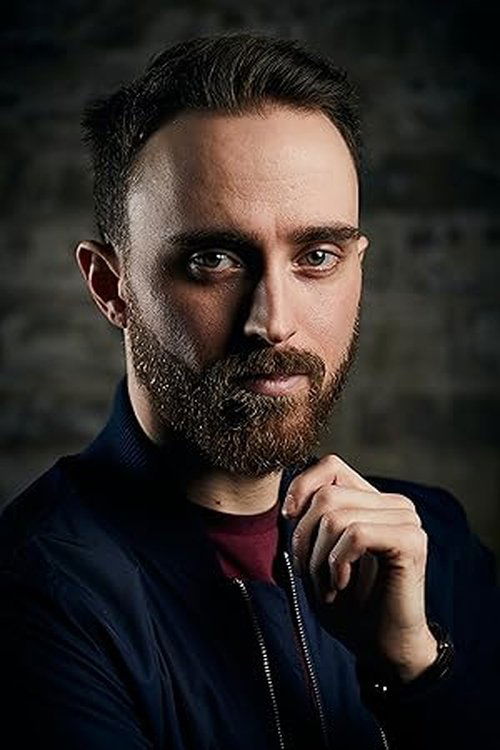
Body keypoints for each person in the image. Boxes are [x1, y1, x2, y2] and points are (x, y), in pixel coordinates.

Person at [0, 33, 498, 750]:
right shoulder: (37, 591)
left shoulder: (432, 546)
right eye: (214, 259)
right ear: (111, 286)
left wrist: (415, 670)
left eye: (317, 256)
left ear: (358, 267)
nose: (274, 321)